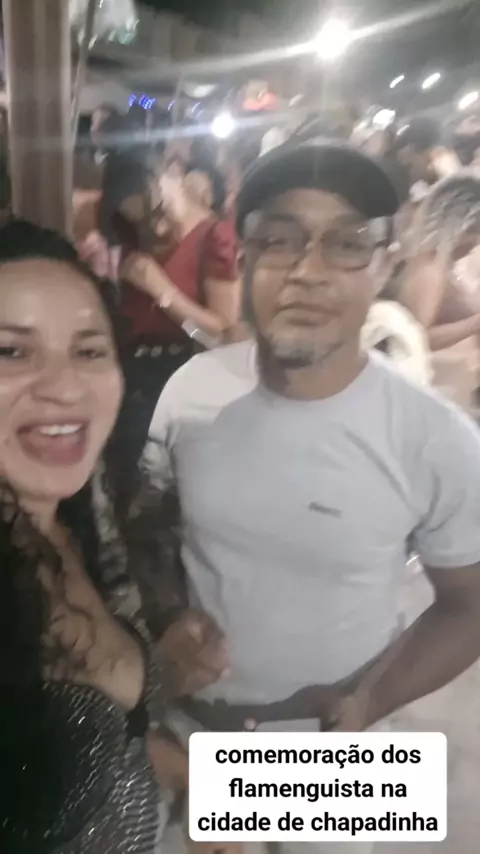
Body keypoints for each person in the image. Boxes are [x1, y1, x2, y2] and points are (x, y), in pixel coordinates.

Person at [143, 142, 480, 854]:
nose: (309, 270)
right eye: (279, 239)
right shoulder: (191, 390)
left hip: (333, 757)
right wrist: (169, 613)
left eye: (348, 244)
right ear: (244, 258)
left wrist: (373, 700)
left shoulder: (437, 439)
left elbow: (469, 605)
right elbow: (153, 523)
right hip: (188, 732)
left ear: (385, 263)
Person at [0, 219, 226, 854]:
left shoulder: (66, 519)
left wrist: (206, 779)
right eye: (10, 352)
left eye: (89, 350)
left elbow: (100, 737)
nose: (65, 387)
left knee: (393, 789)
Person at [399, 172, 480, 410]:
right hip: (436, 389)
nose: (475, 246)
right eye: (475, 237)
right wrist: (473, 324)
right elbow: (416, 337)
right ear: (461, 228)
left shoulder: (444, 265)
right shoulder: (429, 269)